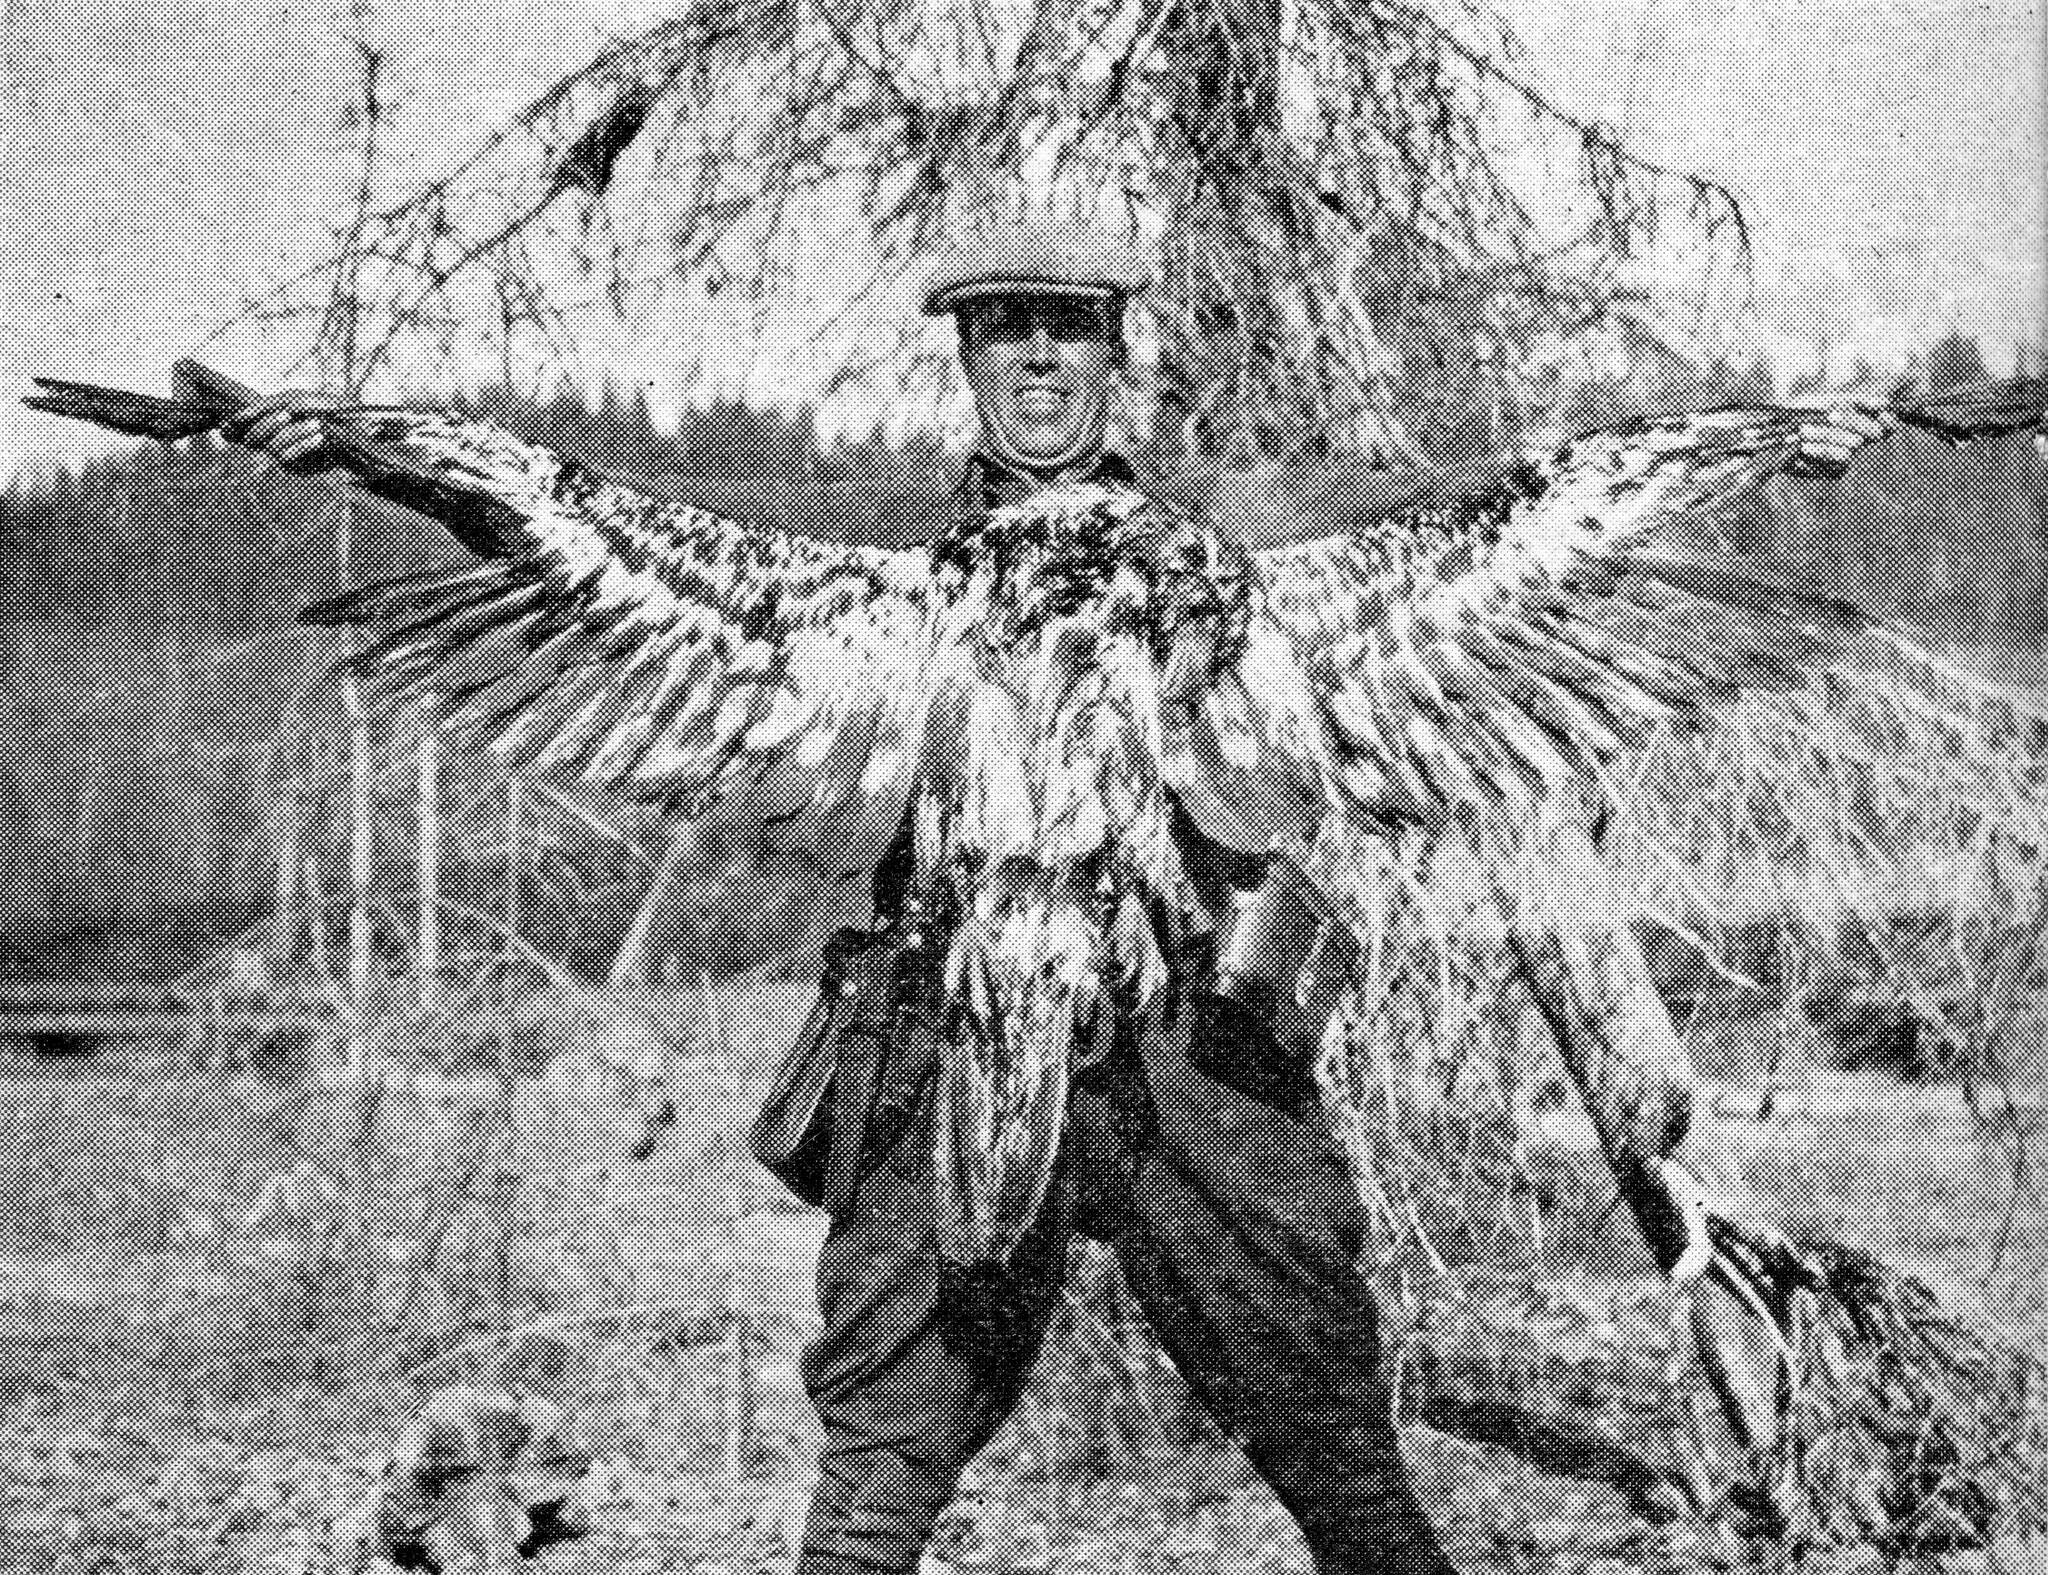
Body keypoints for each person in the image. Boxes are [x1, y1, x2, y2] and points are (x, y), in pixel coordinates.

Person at [234, 218, 1465, 1575]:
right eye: (1008, 328)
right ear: (968, 358)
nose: (1042, 354)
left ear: (1118, 352)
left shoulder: (1221, 585)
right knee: (885, 1457)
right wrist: (383, 453)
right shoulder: (878, 608)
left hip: (1193, 1059)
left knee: (1336, 1447)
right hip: (954, 1040)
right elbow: (584, 544)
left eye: (1070, 325)